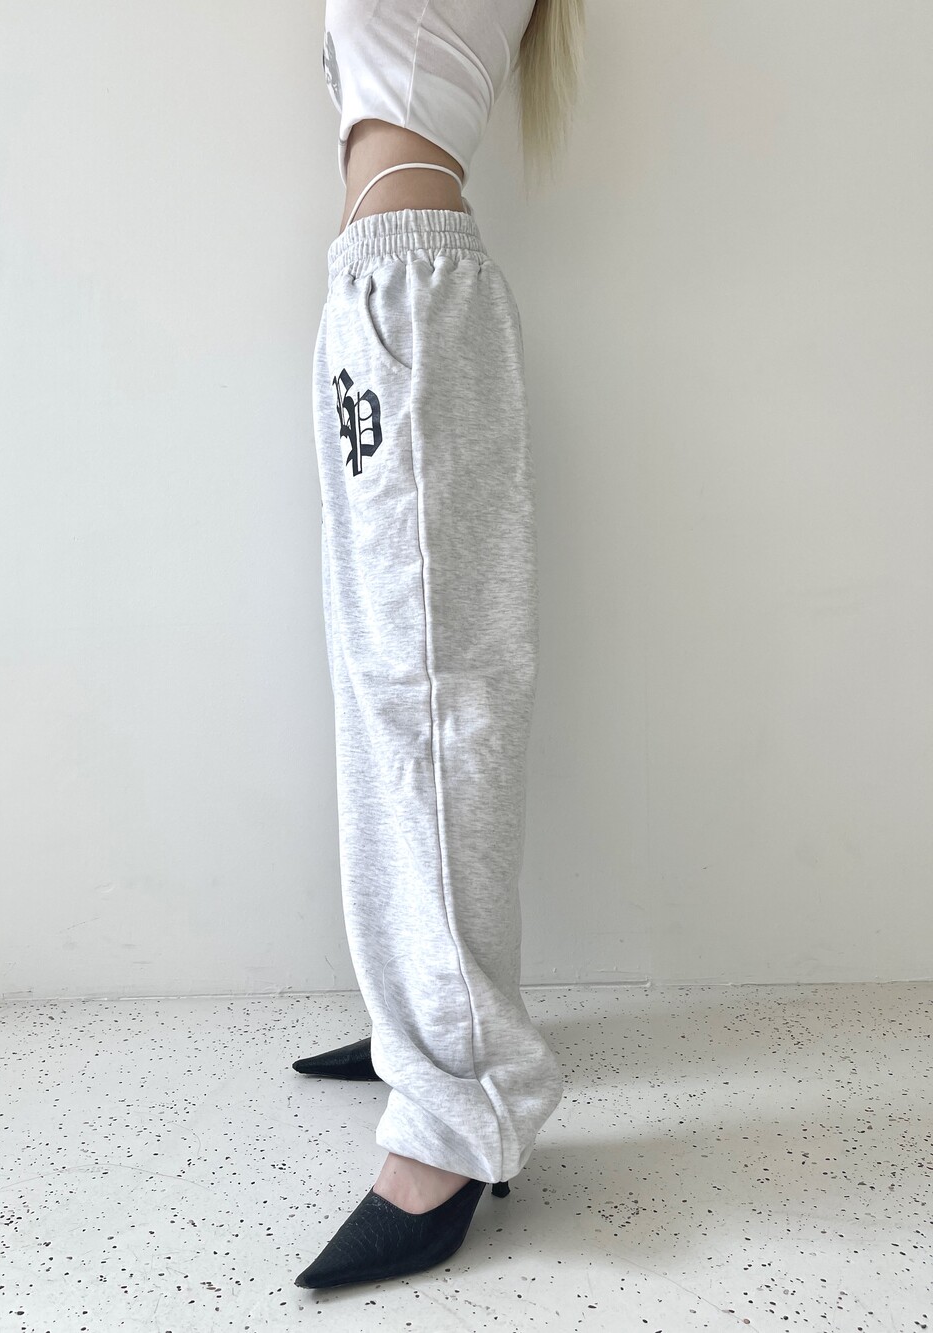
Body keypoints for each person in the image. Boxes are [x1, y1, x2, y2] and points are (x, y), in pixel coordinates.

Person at [293, 0, 586, 1291]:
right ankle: (421, 1021)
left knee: (430, 696)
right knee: (391, 687)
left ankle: (461, 1105)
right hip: (380, 290)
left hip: (407, 290)